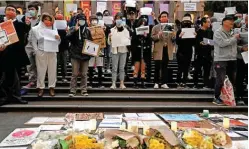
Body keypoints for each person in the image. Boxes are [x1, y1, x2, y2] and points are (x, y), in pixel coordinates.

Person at [0, 5, 30, 105]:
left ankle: (16, 96)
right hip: (2, 54)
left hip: (15, 54)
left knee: (16, 77)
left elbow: (25, 34)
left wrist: (28, 24)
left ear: (16, 14)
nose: (11, 11)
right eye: (9, 9)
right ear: (5, 12)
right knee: (3, 77)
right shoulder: (1, 23)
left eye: (13, 10)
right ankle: (3, 97)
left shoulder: (20, 24)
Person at [212, 16, 241, 105]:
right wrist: (234, 38)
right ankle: (216, 97)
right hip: (221, 59)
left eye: (233, 21)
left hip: (232, 58)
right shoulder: (218, 32)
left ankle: (229, 97)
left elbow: (233, 45)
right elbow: (222, 43)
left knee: (232, 79)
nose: (232, 22)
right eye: (230, 21)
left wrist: (241, 48)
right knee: (220, 79)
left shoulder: (233, 32)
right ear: (224, 22)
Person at [32, 13, 60, 97]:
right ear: (42, 20)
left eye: (49, 19)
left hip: (52, 51)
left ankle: (52, 87)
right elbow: (33, 41)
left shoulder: (54, 28)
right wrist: (36, 51)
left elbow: (58, 42)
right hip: (41, 51)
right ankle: (40, 88)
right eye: (45, 19)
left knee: (52, 70)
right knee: (41, 71)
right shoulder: (36, 29)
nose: (47, 21)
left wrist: (58, 38)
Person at [67, 14, 92, 97]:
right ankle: (72, 90)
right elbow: (67, 37)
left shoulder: (88, 31)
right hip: (75, 54)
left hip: (85, 55)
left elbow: (91, 42)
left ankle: (84, 89)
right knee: (74, 73)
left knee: (84, 74)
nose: (82, 21)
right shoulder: (72, 28)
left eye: (83, 19)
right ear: (77, 20)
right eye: (80, 20)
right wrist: (74, 30)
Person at [151, 11, 175, 89]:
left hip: (167, 49)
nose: (164, 18)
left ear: (167, 18)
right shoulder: (156, 27)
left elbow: (173, 39)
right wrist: (158, 35)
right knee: (157, 66)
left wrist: (174, 35)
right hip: (158, 49)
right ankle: (156, 82)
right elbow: (152, 37)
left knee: (165, 66)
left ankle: (164, 82)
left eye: (165, 16)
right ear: (160, 18)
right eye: (162, 16)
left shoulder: (171, 26)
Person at [108, 12, 129, 89]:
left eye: (120, 19)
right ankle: (113, 83)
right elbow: (109, 42)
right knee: (114, 67)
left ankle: (121, 83)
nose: (118, 20)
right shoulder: (112, 29)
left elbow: (128, 40)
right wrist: (110, 37)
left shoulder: (126, 29)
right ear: (115, 20)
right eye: (117, 18)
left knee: (122, 68)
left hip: (123, 50)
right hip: (115, 50)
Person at [176, 15, 196, 88]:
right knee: (180, 68)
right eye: (185, 22)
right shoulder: (179, 31)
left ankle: (184, 82)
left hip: (188, 51)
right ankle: (178, 82)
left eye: (188, 22)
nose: (187, 23)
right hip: (180, 52)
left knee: (186, 68)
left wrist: (195, 36)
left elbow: (194, 43)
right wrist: (180, 36)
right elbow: (177, 42)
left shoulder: (192, 31)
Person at [193, 17, 214, 88]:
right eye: (208, 22)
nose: (209, 23)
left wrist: (206, 42)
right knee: (196, 70)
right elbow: (196, 43)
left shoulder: (211, 32)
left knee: (207, 70)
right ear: (203, 23)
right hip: (199, 54)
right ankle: (195, 84)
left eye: (209, 22)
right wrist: (200, 43)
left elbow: (213, 42)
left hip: (208, 54)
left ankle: (206, 84)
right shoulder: (198, 31)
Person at [132, 17, 152, 88]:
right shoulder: (135, 31)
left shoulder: (147, 32)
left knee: (143, 68)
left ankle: (143, 82)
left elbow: (149, 41)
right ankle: (135, 82)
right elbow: (133, 41)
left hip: (144, 52)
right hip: (137, 51)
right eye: (141, 23)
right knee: (136, 67)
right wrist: (138, 35)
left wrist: (146, 36)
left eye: (144, 24)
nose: (143, 25)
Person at [24, 4, 40, 89]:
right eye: (29, 9)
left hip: (38, 45)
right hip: (28, 45)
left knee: (38, 64)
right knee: (30, 65)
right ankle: (32, 81)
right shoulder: (26, 20)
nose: (31, 11)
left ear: (37, 10)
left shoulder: (41, 21)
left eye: (32, 9)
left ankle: (40, 81)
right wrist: (26, 25)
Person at [88, 15, 105, 88]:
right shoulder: (87, 29)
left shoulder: (101, 28)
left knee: (100, 66)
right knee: (90, 66)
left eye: (95, 20)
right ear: (90, 21)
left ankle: (100, 83)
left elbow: (104, 38)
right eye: (92, 20)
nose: (94, 21)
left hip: (99, 48)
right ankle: (90, 83)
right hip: (90, 47)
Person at [236, 14, 248, 105]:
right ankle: (239, 96)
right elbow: (234, 45)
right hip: (242, 58)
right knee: (240, 78)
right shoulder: (240, 31)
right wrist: (242, 48)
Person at [55, 13, 69, 83]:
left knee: (64, 62)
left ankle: (64, 76)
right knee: (56, 63)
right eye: (58, 18)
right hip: (55, 47)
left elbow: (68, 36)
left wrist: (67, 31)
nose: (59, 19)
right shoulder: (53, 25)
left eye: (60, 18)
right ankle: (55, 76)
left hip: (64, 46)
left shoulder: (65, 24)